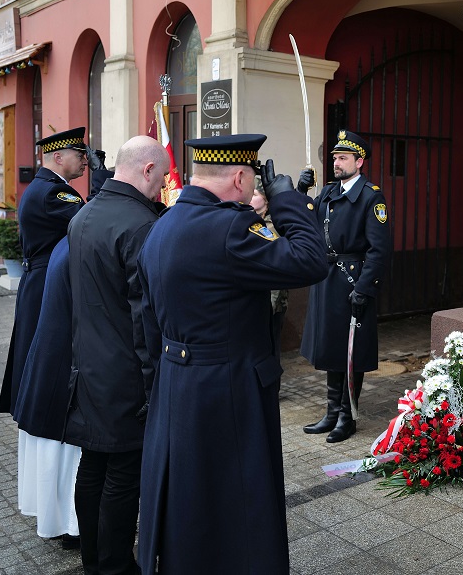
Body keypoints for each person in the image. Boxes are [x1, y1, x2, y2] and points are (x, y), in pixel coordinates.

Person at [135, 134, 327, 574]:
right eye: (253, 178)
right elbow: (311, 260)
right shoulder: (232, 229)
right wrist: (287, 201)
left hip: (176, 382)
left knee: (188, 499)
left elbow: (146, 321)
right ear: (240, 177)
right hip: (227, 388)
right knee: (238, 503)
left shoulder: (161, 225)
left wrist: (160, 380)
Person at [65, 136, 169, 575]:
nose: (163, 187)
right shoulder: (140, 225)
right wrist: (154, 383)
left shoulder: (83, 215)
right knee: (123, 477)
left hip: (87, 367)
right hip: (126, 374)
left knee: (92, 467)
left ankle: (94, 561)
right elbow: (145, 317)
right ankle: (114, 567)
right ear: (147, 170)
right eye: (162, 177)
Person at [298, 129, 392, 444]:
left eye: (343, 158)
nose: (336, 163)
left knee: (351, 351)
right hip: (327, 279)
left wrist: (365, 288)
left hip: (353, 281)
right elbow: (304, 225)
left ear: (359, 161)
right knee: (331, 346)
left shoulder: (370, 196)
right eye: (335, 157)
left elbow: (379, 250)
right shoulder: (327, 192)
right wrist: (300, 194)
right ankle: (330, 413)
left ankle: (347, 417)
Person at [0, 127, 89, 415]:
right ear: (59, 157)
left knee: (33, 349)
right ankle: (40, 413)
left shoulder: (43, 187)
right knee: (46, 353)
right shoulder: (54, 192)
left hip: (38, 278)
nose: (86, 161)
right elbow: (90, 222)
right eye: (80, 154)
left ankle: (32, 410)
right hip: (46, 282)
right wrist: (104, 182)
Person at [12, 236, 81, 549]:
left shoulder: (66, 242)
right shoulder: (77, 242)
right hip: (65, 361)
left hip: (51, 351)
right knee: (64, 449)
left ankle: (62, 521)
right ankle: (69, 525)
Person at [252, 177, 289, 349]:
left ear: (265, 199)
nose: (250, 198)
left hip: (272, 300)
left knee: (270, 347)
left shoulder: (274, 225)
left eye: (254, 194)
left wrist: (272, 304)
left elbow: (276, 266)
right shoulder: (246, 221)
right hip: (253, 300)